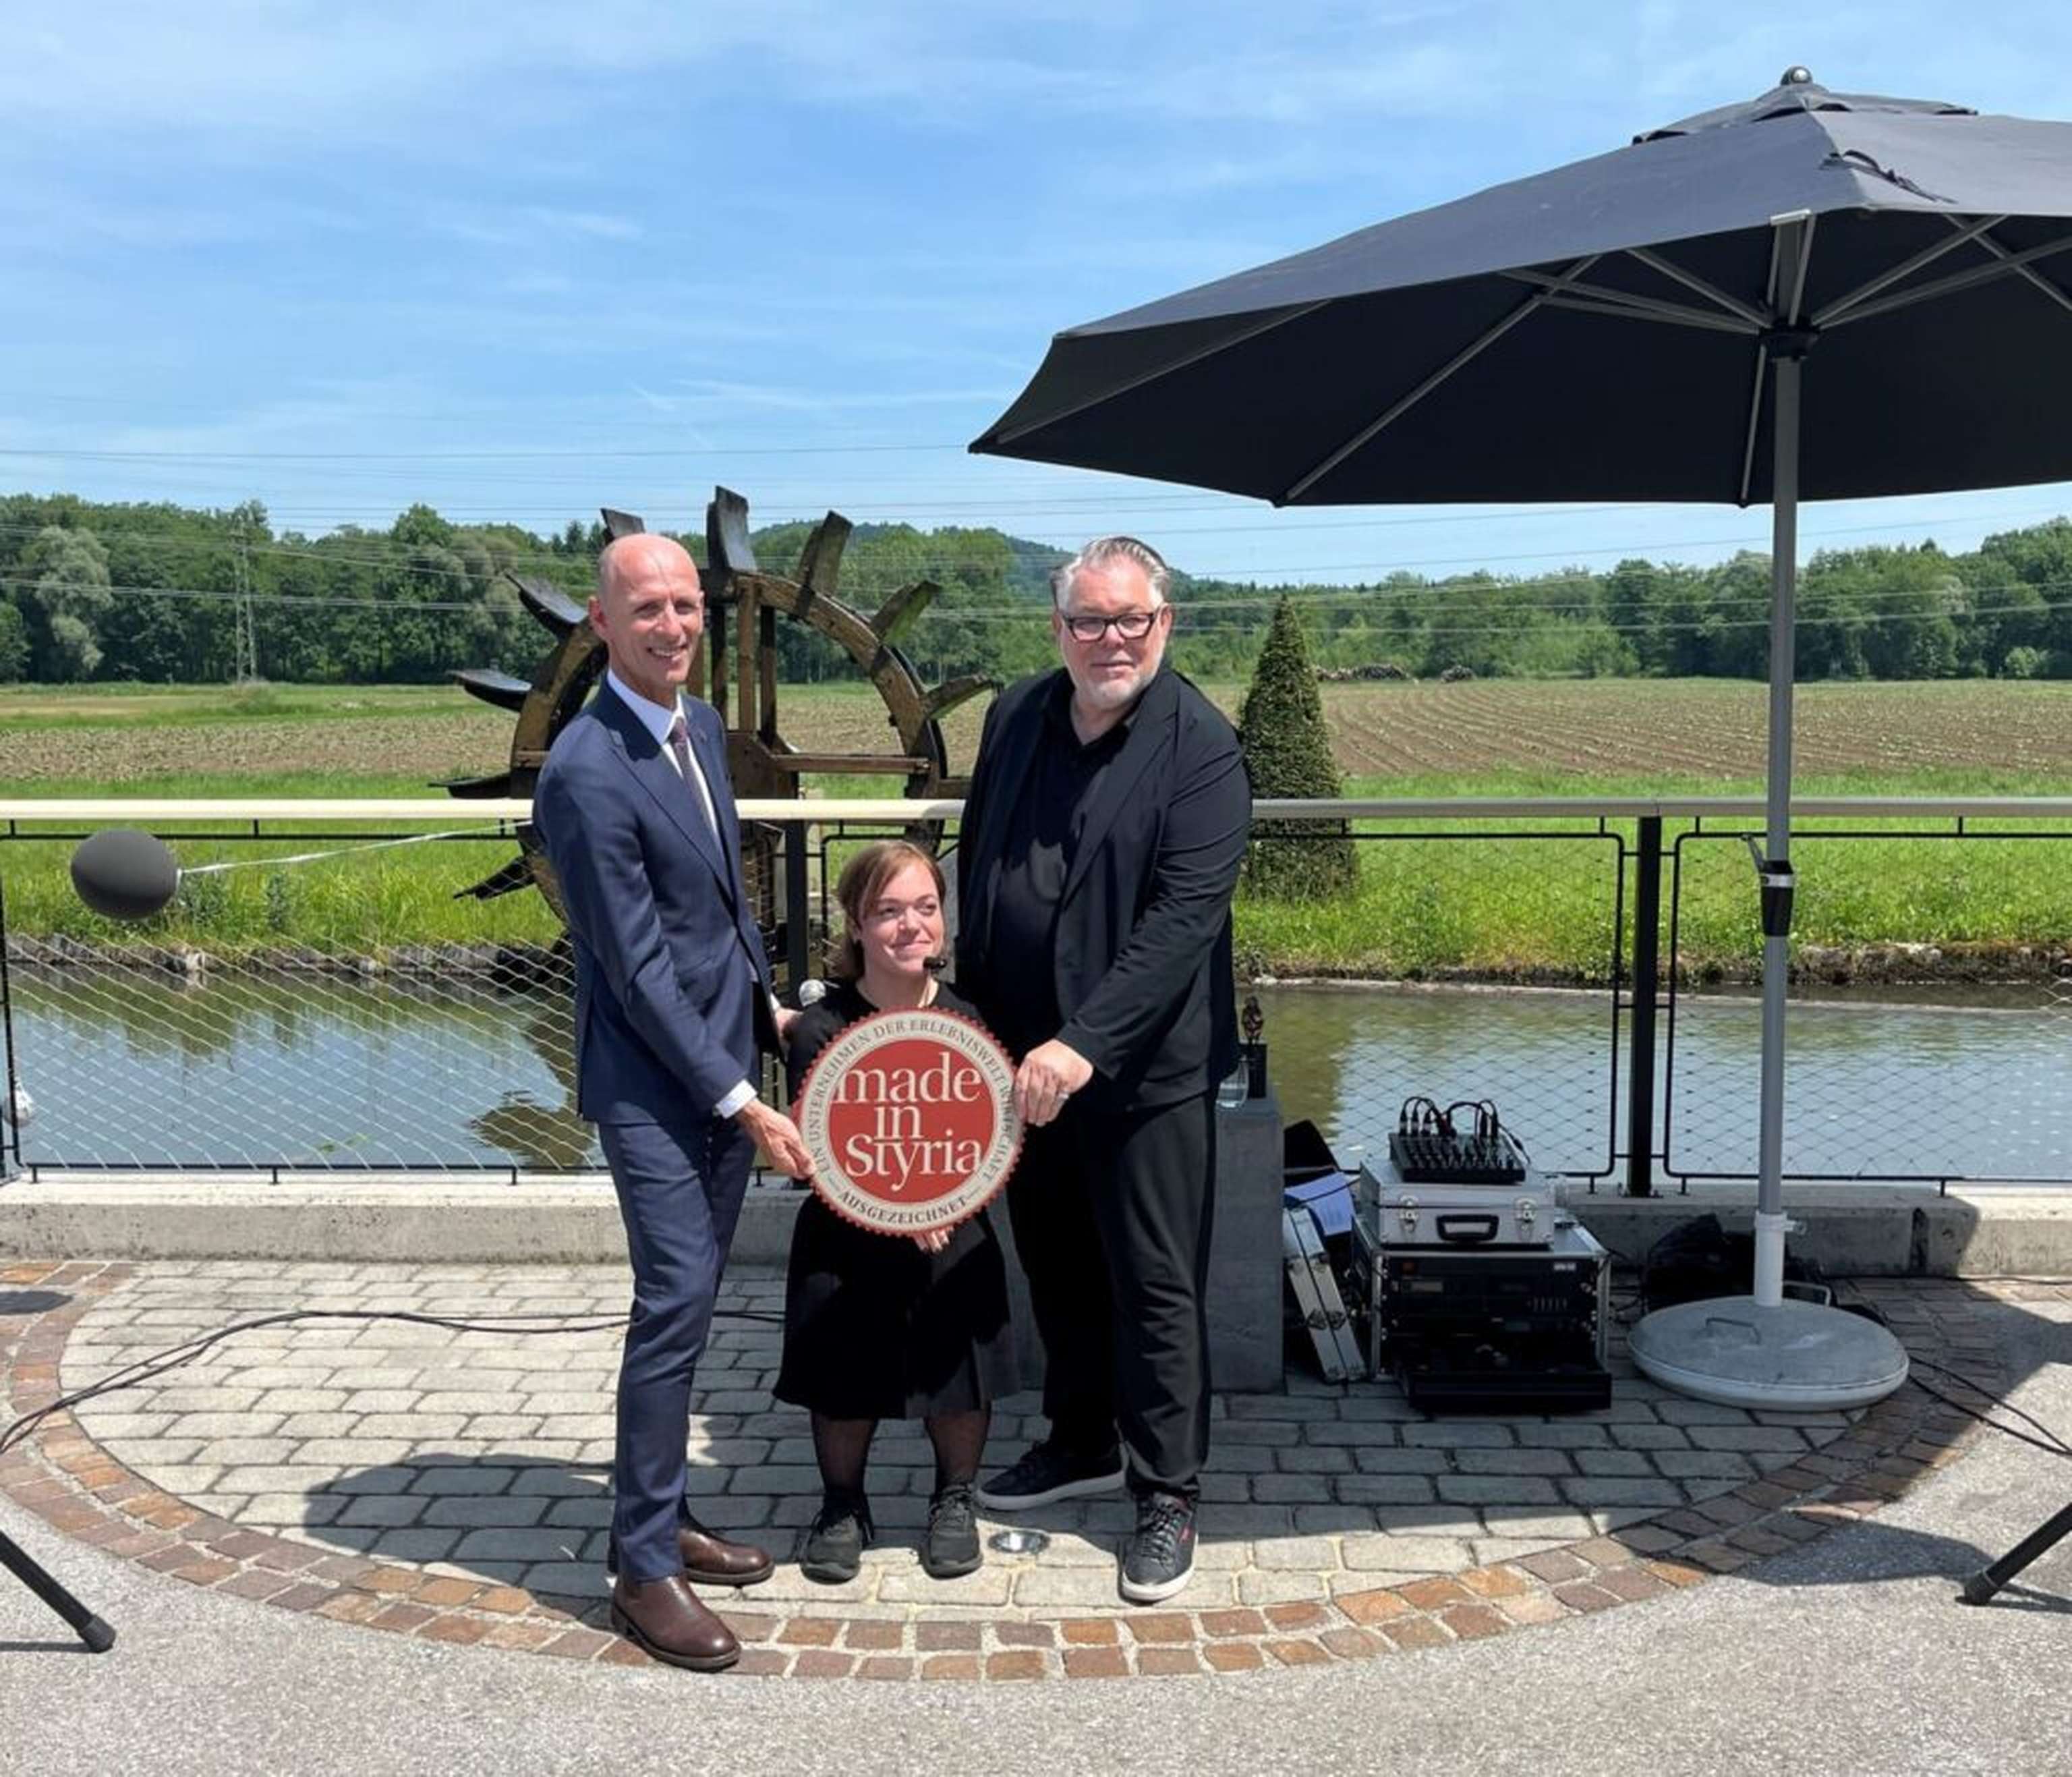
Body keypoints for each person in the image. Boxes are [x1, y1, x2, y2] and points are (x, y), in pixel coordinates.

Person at [533, 532, 813, 1673]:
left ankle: (664, 1513)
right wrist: (747, 1098)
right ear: (602, 622)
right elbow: (637, 968)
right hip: (654, 1085)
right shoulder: (584, 768)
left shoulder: (696, 727)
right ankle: (640, 1570)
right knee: (675, 1299)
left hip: (721, 1058)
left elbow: (718, 911)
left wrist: (772, 1011)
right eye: (646, 608)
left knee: (691, 1309)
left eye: (688, 605)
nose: (673, 627)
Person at [955, 535, 1250, 1604]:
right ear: (1059, 629)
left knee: (1154, 1282)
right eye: (1090, 620)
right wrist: (967, 1008)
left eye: (1131, 619)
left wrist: (1085, 1042)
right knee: (1060, 1265)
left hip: (1138, 1070)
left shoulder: (1203, 747)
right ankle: (1079, 1438)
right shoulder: (1015, 716)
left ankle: (1167, 1489)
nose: (1110, 639)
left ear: (1165, 624)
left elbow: (1182, 923)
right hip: (1021, 1062)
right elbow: (984, 855)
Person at [774, 841, 1018, 1585]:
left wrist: (944, 1199)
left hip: (951, 1226)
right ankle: (843, 1503)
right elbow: (823, 1147)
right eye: (888, 911)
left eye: (925, 907)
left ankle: (954, 1498)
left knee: (959, 1360)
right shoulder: (821, 1031)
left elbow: (987, 1137)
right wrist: (891, 1205)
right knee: (843, 1359)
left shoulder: (970, 1020)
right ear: (854, 925)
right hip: (847, 1232)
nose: (911, 925)